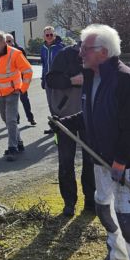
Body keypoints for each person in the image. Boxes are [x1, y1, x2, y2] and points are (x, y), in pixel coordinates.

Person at [78, 24, 130, 260]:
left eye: (85, 48)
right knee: (106, 212)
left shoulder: (125, 79)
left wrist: (120, 160)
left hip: (127, 166)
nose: (80, 53)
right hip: (101, 161)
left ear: (103, 52)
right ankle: (118, 257)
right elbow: (93, 113)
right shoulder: (91, 77)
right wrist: (67, 122)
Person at [44, 39, 95, 217]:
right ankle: (69, 203)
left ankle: (91, 201)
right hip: (65, 115)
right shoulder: (64, 55)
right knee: (66, 161)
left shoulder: (97, 57)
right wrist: (72, 80)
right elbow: (50, 80)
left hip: (89, 115)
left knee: (91, 159)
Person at [0, 30, 33, 161]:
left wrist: (22, 89)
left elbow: (28, 71)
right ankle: (19, 142)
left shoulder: (15, 54)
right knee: (5, 119)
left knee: (11, 120)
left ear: (3, 43)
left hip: (13, 92)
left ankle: (12, 148)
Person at [4, 33, 36, 125]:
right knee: (13, 102)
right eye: (5, 42)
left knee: (25, 99)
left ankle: (31, 118)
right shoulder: (2, 53)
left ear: (13, 41)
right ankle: (16, 119)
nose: (7, 43)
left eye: (9, 41)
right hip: (10, 82)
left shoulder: (19, 50)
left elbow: (26, 65)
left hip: (21, 81)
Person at [40, 26, 65, 134]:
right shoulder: (43, 48)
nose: (49, 36)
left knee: (59, 104)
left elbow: (66, 64)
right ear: (44, 36)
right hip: (48, 81)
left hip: (58, 81)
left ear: (54, 35)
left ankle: (64, 126)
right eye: (47, 35)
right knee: (51, 104)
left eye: (51, 34)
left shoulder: (61, 47)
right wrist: (43, 79)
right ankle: (55, 126)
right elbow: (44, 65)